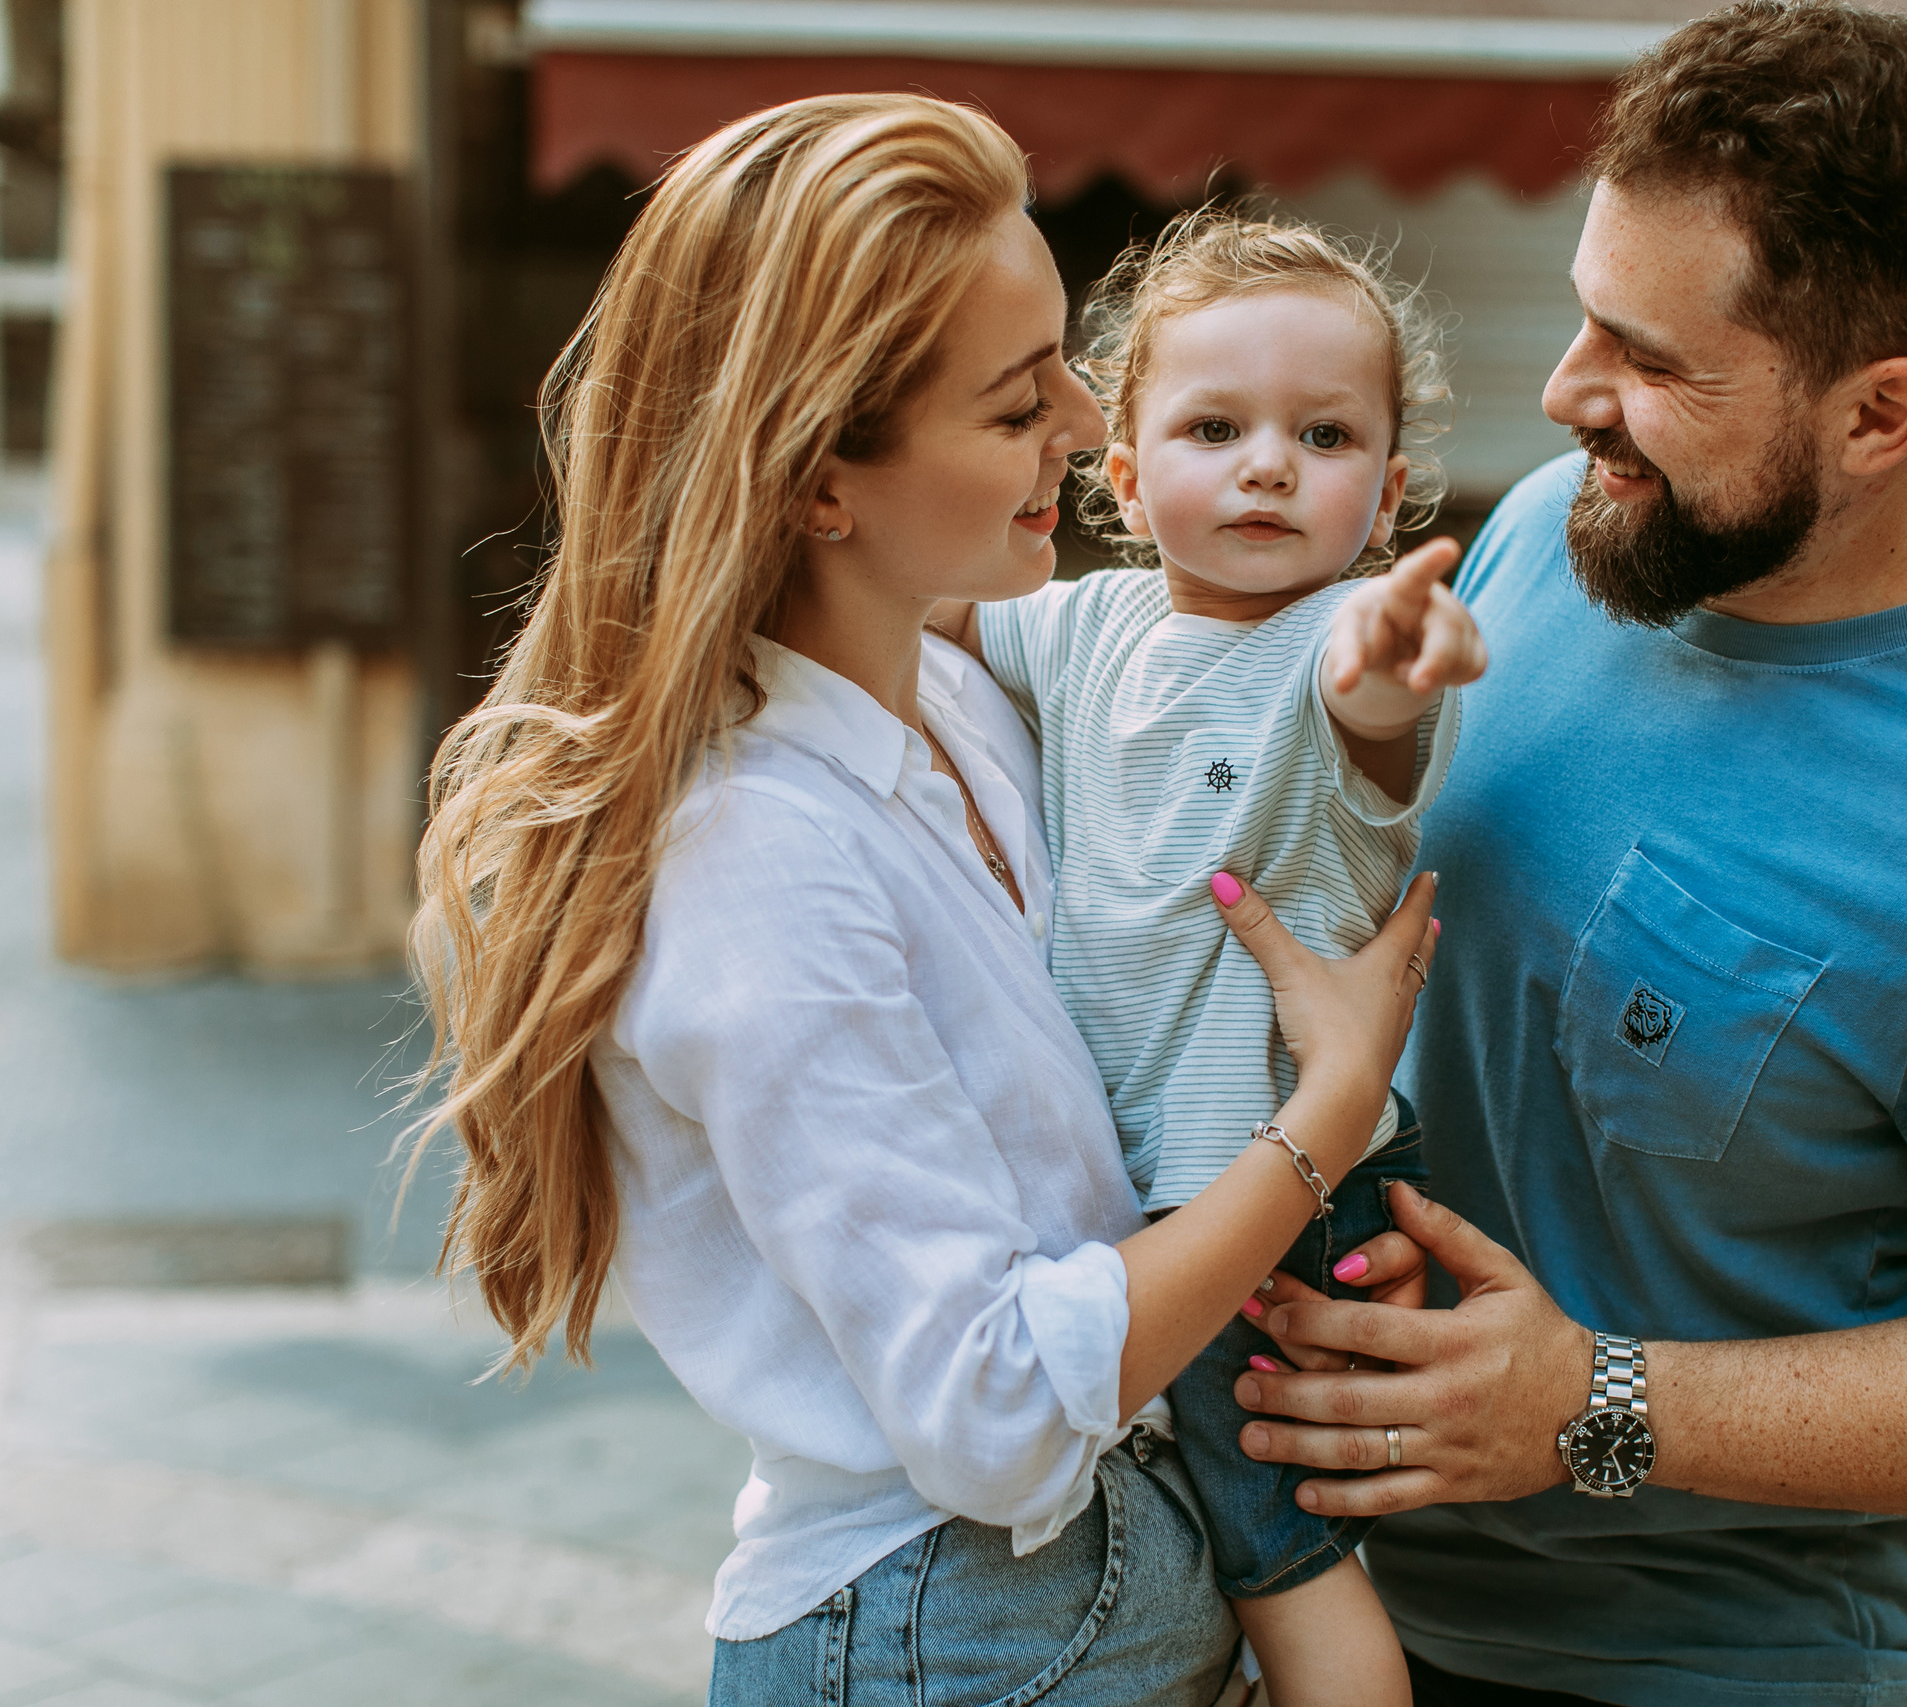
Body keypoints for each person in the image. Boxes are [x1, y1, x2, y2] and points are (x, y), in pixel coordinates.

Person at [1224, 5, 1907, 1703]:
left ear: (1881, 415)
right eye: (1583, 316)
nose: (1567, 395)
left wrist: (1598, 1408)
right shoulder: (1564, 549)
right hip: (1319, 1610)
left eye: (1651, 361)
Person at [402, 94, 1437, 1707]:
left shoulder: (959, 698)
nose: (1093, 420)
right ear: (823, 482)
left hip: (1089, 1599)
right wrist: (1326, 1120)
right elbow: (996, 1409)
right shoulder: (756, 863)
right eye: (1020, 403)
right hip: (954, 1634)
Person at [926, 210, 1488, 1707]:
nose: (1266, 465)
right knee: (1209, 1541)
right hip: (1155, 1194)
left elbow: (1371, 707)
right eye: (1214, 426)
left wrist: (1392, 655)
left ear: (1385, 495)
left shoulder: (1325, 654)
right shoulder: (1082, 628)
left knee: (1282, 1565)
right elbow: (916, 606)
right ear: (1120, 473)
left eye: (1324, 435)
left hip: (1269, 1194)